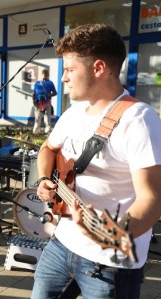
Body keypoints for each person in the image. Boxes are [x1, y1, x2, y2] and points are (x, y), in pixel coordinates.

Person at [32, 24, 161, 298]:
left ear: (99, 68)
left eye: (69, 69)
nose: (63, 78)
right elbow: (47, 148)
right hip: (62, 244)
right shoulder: (74, 112)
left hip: (110, 263)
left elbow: (153, 199)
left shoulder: (139, 119)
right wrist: (44, 179)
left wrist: (109, 235)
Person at [32, 69, 57, 134]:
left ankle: (47, 132)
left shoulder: (50, 83)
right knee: (37, 117)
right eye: (43, 74)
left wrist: (49, 94)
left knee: (47, 117)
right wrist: (33, 100)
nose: (44, 75)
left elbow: (55, 93)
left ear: (48, 75)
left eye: (46, 74)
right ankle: (35, 132)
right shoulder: (37, 83)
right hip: (38, 102)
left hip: (47, 102)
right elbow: (34, 92)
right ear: (41, 75)